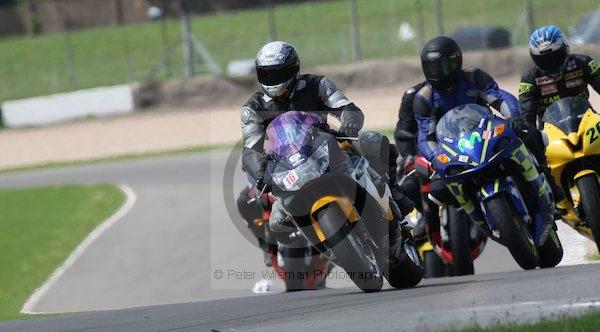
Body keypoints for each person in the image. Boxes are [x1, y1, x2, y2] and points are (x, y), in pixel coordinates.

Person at [238, 41, 413, 266]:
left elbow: (346, 107)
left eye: (278, 73)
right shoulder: (253, 107)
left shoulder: (317, 84)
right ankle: (310, 246)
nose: (273, 80)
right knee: (276, 223)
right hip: (287, 166)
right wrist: (261, 173)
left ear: (293, 69)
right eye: (267, 74)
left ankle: (394, 193)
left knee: (376, 142)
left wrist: (349, 121)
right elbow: (251, 147)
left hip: (328, 145)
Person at [413, 36, 564, 209]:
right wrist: (434, 157)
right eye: (433, 67)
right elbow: (425, 136)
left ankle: (548, 182)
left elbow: (500, 98)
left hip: (486, 134)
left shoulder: (473, 77)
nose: (439, 72)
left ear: (457, 61)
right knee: (437, 189)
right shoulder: (424, 98)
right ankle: (460, 216)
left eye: (444, 65)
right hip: (453, 149)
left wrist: (513, 117)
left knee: (530, 136)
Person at [519, 25, 600, 128]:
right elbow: (527, 116)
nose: (552, 64)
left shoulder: (584, 63)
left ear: (565, 48)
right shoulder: (530, 78)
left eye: (557, 57)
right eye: (543, 61)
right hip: (550, 131)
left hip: (586, 123)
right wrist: (530, 132)